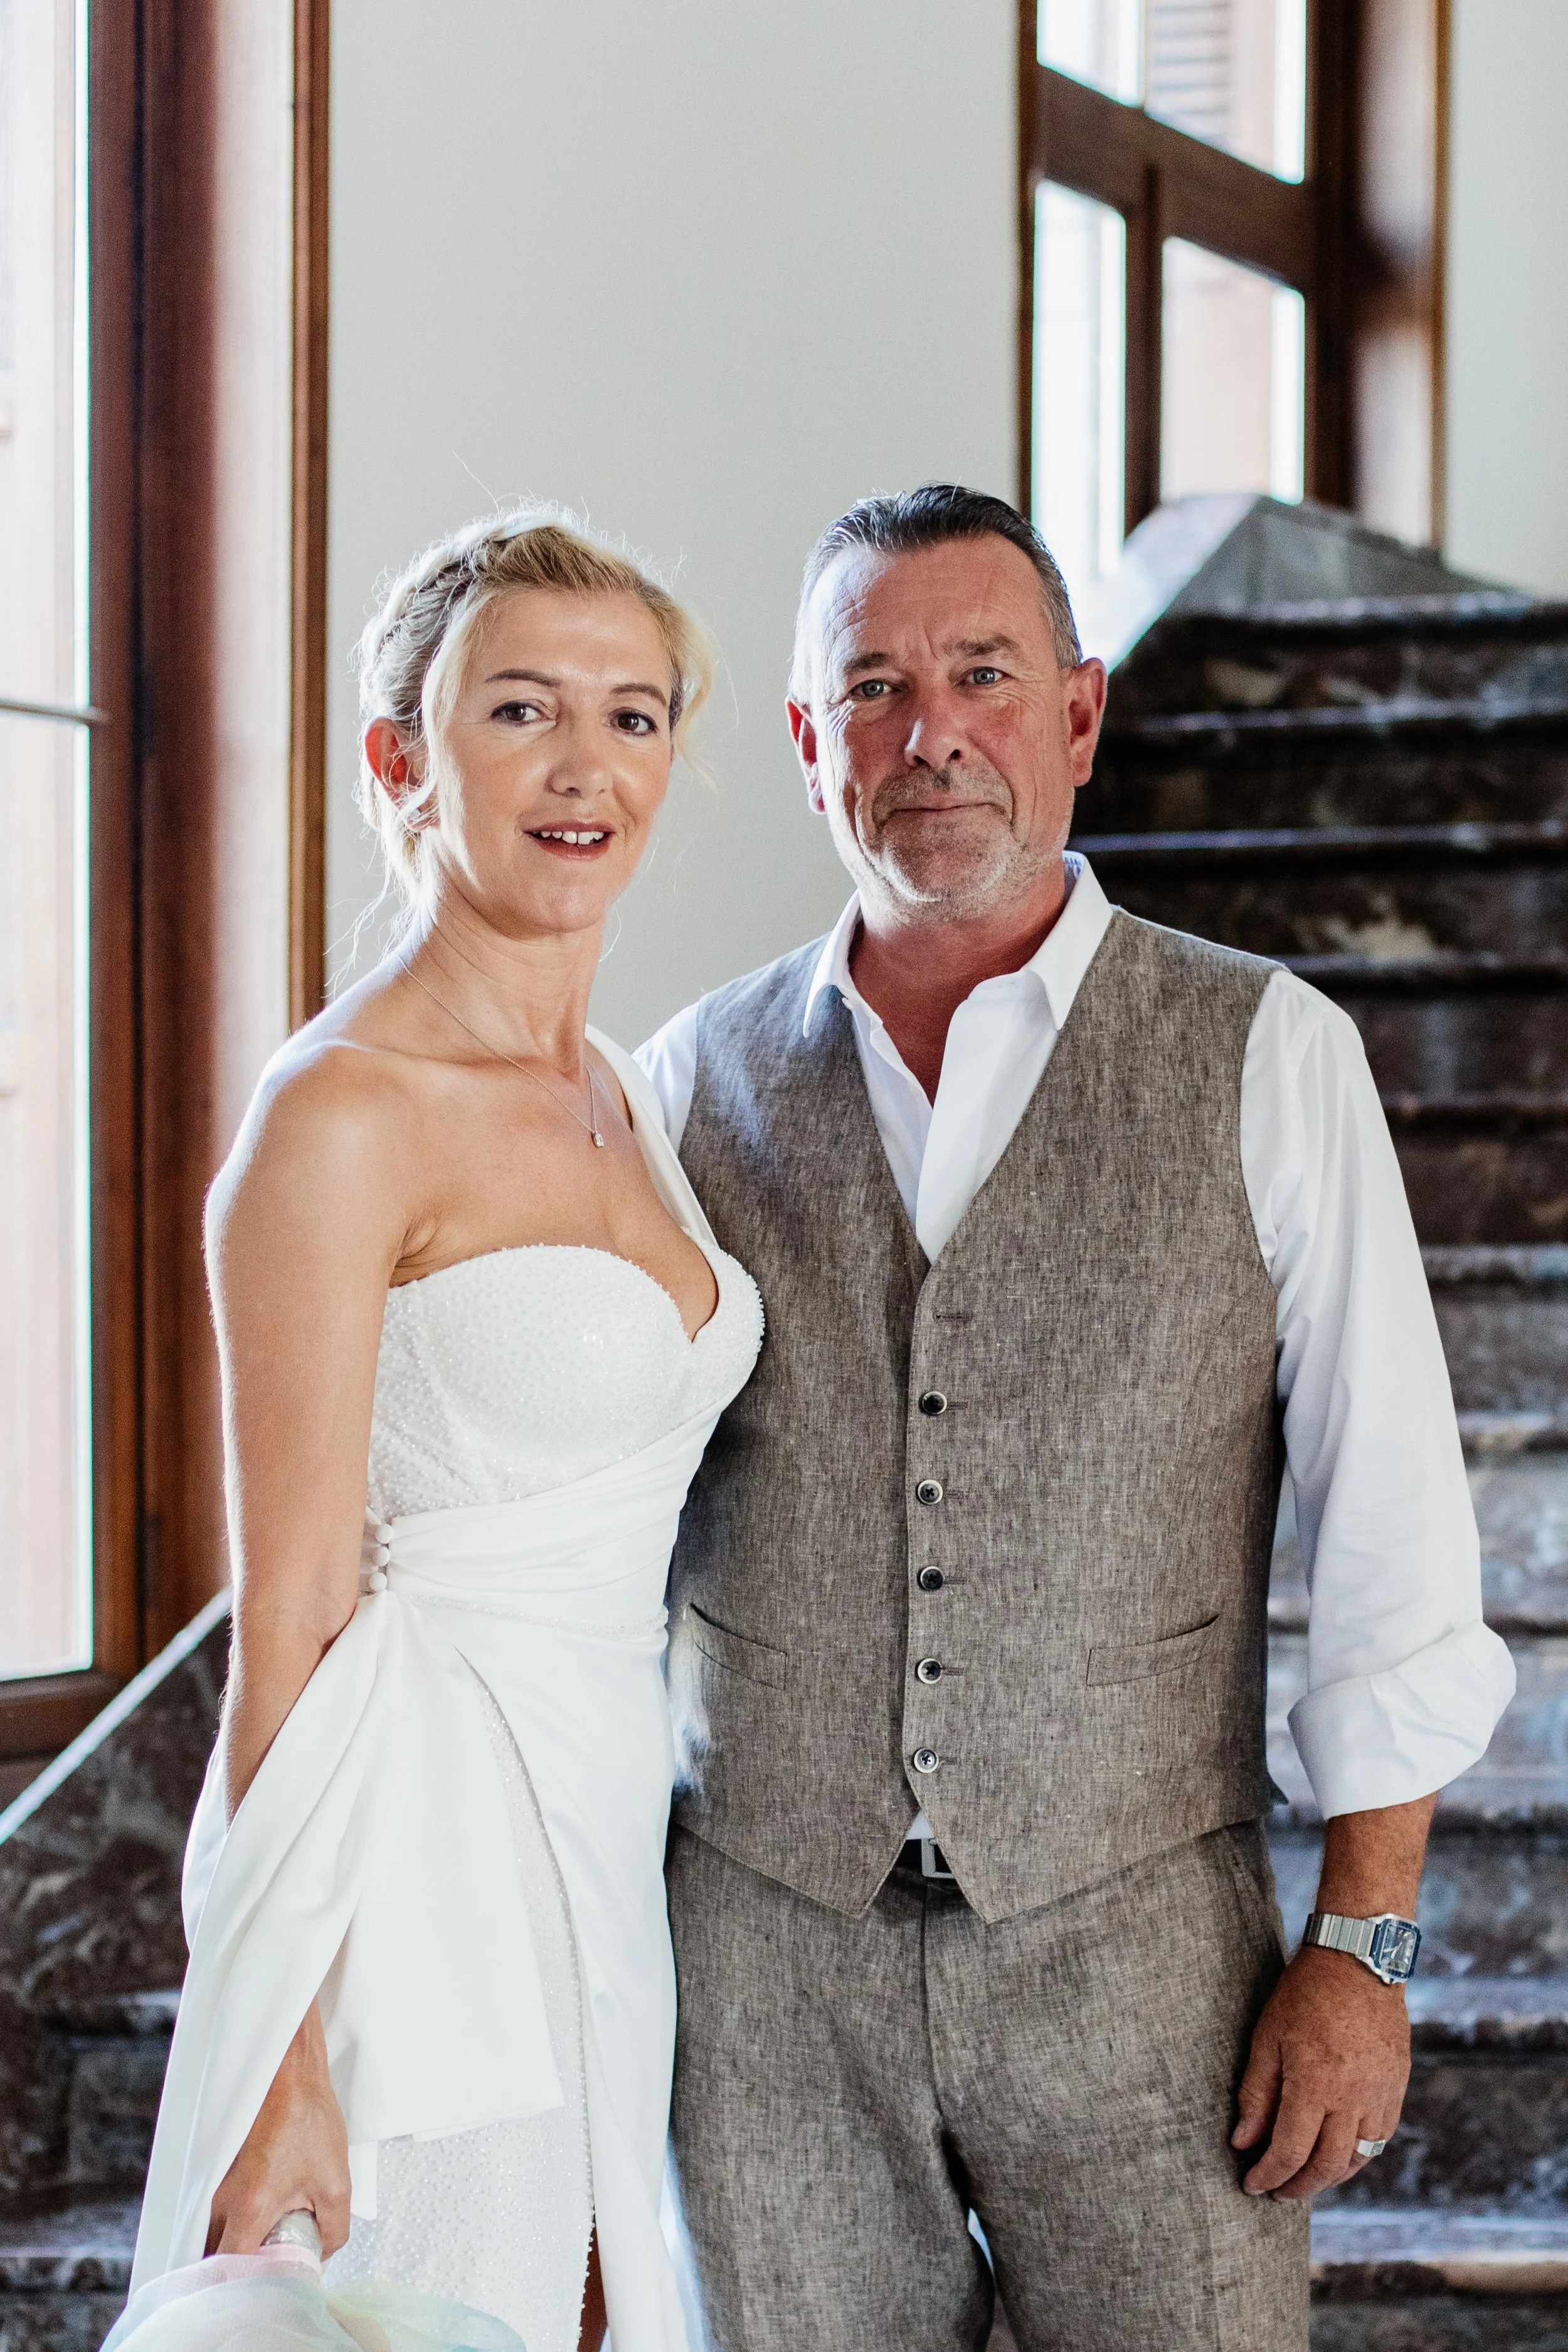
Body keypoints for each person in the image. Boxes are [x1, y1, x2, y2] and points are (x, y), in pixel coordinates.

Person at [636, 484, 1516, 2351]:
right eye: (868, 687)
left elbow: (1393, 1528)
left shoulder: (1267, 1051)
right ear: (807, 744)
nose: (928, 731)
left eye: (980, 673)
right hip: (759, 1965)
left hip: (1141, 1958)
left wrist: (1361, 1944)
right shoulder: (680, 1085)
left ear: (1080, 714)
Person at [131, 509, 761, 2352]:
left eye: (633, 715)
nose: (586, 766)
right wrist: (276, 2057)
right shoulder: (339, 1117)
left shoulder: (629, 1095)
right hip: (411, 1834)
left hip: (602, 1826)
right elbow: (291, 1623)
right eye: (520, 709)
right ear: (401, 759)